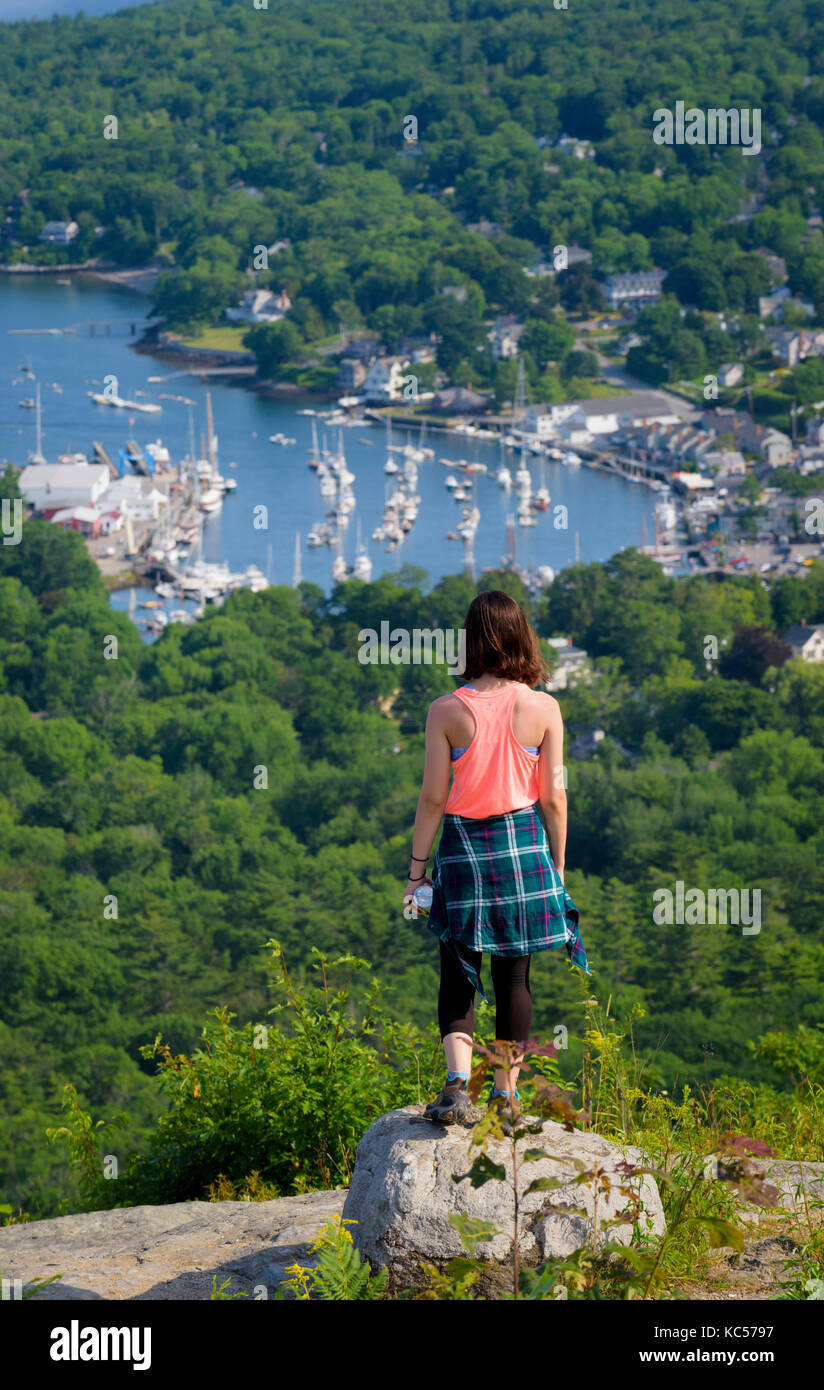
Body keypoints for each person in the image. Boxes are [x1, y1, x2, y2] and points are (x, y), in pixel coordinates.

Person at [403, 590, 589, 1127]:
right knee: (515, 977)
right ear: (521, 637)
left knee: (458, 973)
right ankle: (505, 1096)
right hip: (524, 848)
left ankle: (456, 1088)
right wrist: (556, 865)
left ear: (470, 640)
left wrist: (417, 873)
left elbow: (433, 798)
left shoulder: (446, 710)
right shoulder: (543, 707)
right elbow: (554, 796)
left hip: (462, 851)